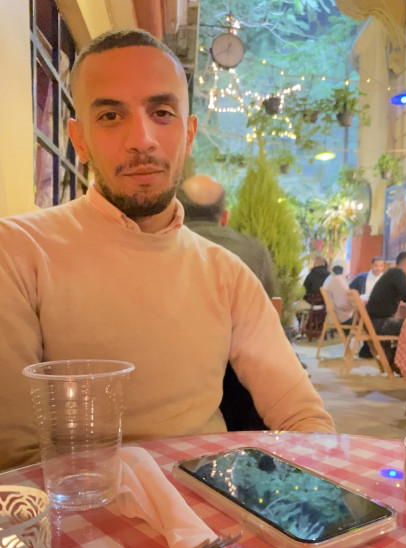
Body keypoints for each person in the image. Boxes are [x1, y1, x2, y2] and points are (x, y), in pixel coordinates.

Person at [0, 28, 334, 471]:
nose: (142, 139)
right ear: (79, 140)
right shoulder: (18, 252)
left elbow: (304, 418)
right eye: (111, 116)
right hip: (81, 506)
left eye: (161, 112)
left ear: (189, 133)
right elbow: (15, 460)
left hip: (209, 502)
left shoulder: (226, 273)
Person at [178, 173, 273, 430]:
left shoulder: (160, 247)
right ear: (225, 216)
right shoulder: (255, 251)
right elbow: (271, 314)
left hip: (182, 382)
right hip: (241, 386)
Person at [177, 174, 274, 296]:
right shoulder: (256, 252)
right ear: (225, 218)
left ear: (178, 213)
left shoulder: (162, 249)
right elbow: (269, 304)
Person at [366, 251, 406, 367]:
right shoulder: (398, 273)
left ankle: (393, 359)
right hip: (380, 323)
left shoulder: (393, 273)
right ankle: (396, 358)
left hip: (373, 321)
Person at [323, 258, 354, 325]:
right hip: (342, 317)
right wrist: (354, 305)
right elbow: (342, 304)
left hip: (334, 314)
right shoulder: (338, 280)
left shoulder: (331, 278)